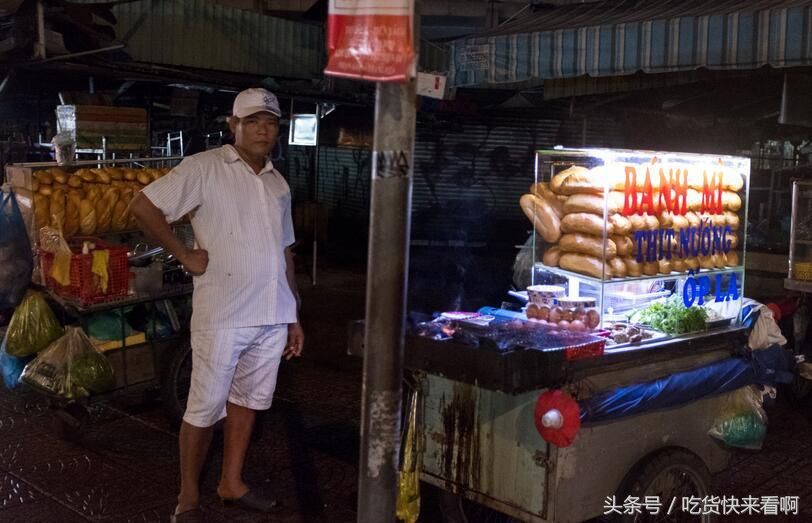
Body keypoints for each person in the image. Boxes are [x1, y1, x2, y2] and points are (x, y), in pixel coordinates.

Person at [129, 88, 304, 523]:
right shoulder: (204, 167)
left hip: (272, 314)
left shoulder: (277, 182)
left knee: (248, 401)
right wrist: (184, 254)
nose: (264, 130)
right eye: (253, 121)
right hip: (224, 314)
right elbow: (144, 206)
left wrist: (294, 312)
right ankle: (187, 497)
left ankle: (232, 482)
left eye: (271, 122)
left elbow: (285, 250)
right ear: (234, 126)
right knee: (204, 407)